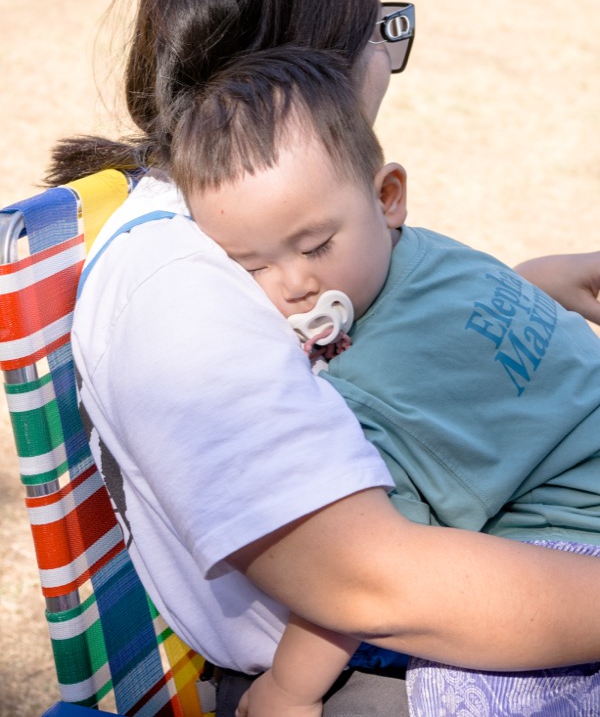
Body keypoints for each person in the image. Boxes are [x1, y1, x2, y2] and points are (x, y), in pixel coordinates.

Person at [46, 0, 600, 717]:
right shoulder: (188, 286)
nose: (390, 60)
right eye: (380, 31)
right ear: (306, 63)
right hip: (367, 668)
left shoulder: (245, 222)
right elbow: (370, 583)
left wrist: (518, 289)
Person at [179, 45, 600, 716]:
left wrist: (290, 688)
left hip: (573, 552)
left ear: (387, 197)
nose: (295, 283)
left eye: (316, 245)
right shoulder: (429, 252)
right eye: (251, 267)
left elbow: (366, 582)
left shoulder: (369, 393)